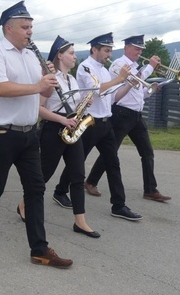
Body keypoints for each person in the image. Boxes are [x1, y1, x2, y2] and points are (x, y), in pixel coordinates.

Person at [0, 1, 73, 269]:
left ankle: (40, 250)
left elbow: (41, 94)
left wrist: (49, 83)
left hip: (29, 133)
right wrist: (37, 84)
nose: (30, 31)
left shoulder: (32, 56)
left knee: (36, 188)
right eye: (25, 27)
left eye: (31, 27)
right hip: (0, 133)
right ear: (9, 28)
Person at [55, 32, 143, 221]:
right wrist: (120, 78)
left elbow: (113, 98)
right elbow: (96, 91)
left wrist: (129, 84)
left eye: (110, 50)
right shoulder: (85, 68)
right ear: (94, 49)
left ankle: (118, 205)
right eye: (106, 50)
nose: (109, 54)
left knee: (113, 165)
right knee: (77, 162)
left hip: (106, 122)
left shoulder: (104, 70)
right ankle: (60, 191)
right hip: (90, 122)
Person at [18, 35, 100, 238]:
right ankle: (23, 204)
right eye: (71, 53)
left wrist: (83, 105)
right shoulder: (50, 79)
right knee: (44, 174)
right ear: (60, 55)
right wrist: (62, 120)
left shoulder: (71, 79)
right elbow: (38, 108)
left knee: (78, 175)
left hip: (73, 128)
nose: (74, 57)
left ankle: (80, 221)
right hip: (53, 129)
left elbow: (73, 106)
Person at [84, 35, 171, 202]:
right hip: (121, 114)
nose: (140, 51)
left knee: (147, 152)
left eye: (141, 49)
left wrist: (151, 89)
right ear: (127, 48)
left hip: (136, 114)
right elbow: (132, 79)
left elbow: (138, 91)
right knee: (110, 151)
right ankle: (91, 181)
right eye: (136, 48)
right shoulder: (119, 64)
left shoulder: (137, 66)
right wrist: (150, 67)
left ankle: (150, 189)